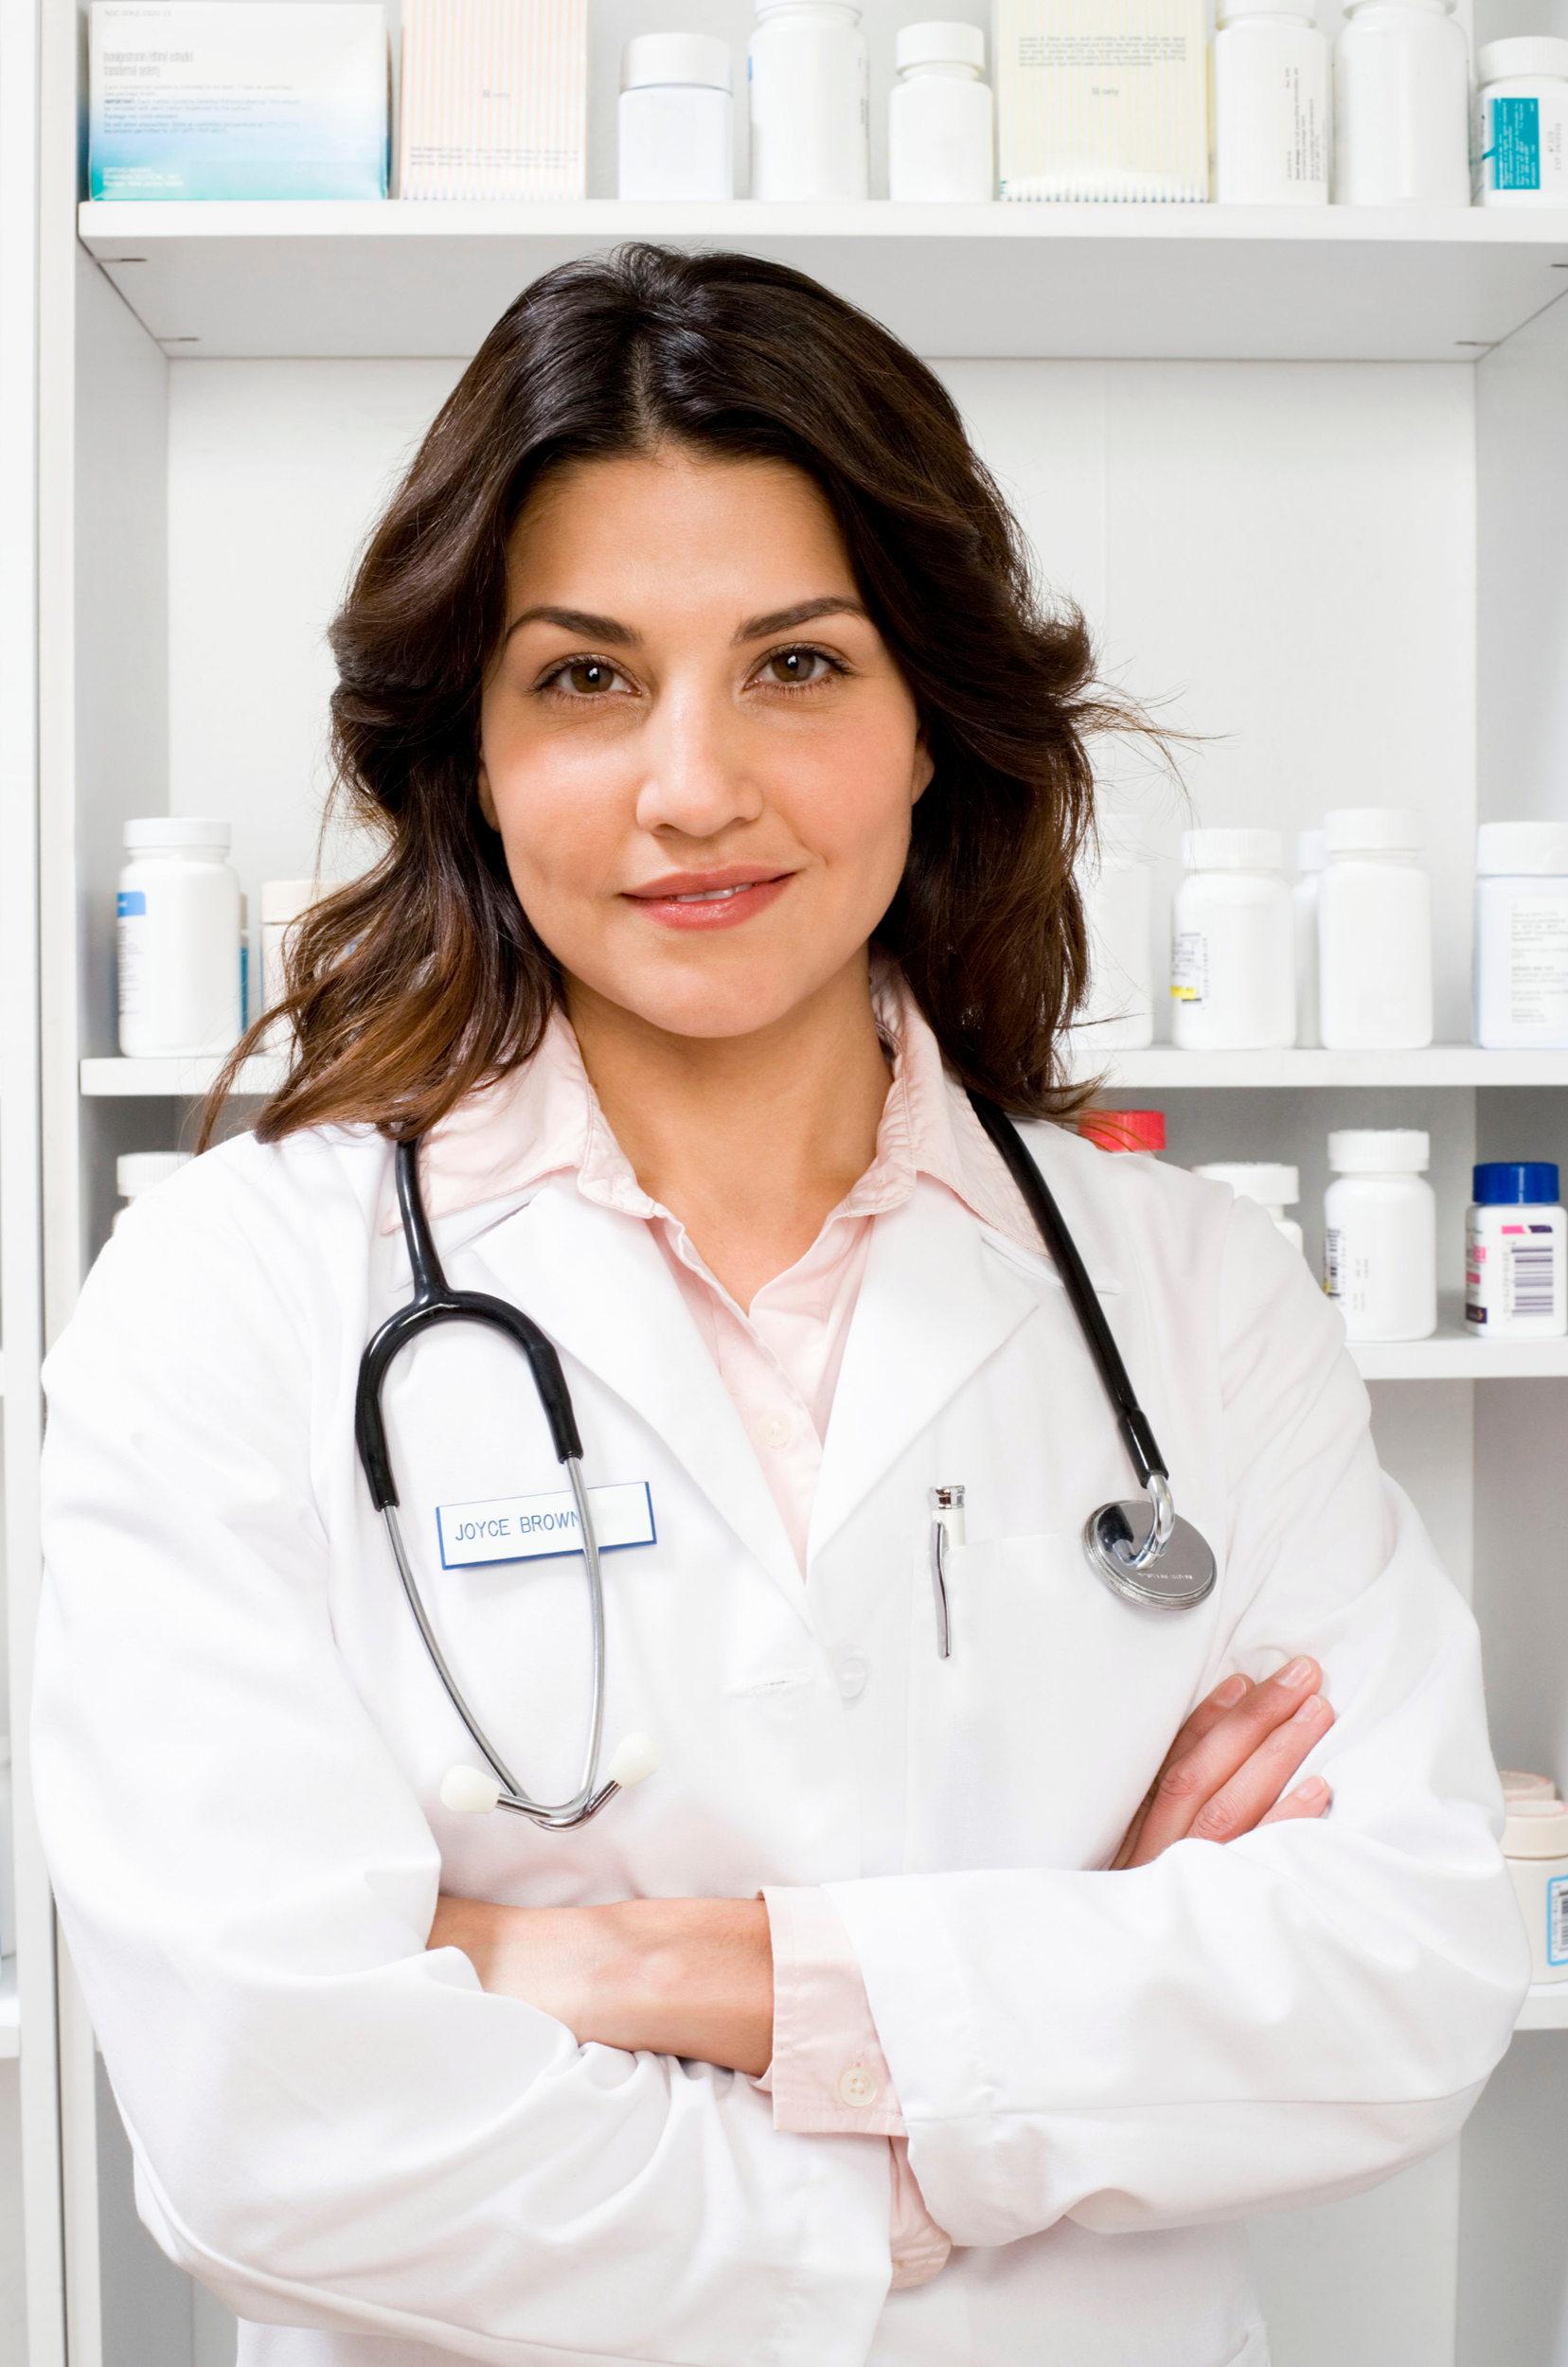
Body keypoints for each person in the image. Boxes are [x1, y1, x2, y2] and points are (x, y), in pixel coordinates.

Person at [33, 245, 1525, 2367]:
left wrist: (655, 1969)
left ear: (935, 722)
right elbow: (272, 2131)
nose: (693, 785)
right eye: (586, 676)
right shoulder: (236, 1295)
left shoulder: (1193, 1297)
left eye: (798, 665)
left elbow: (1396, 1976)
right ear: (463, 746)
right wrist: (1001, 2064)